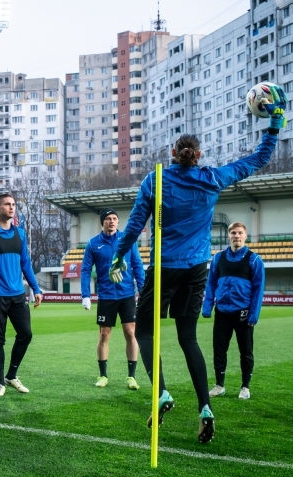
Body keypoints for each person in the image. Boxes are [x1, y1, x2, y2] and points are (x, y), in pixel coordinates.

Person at [111, 85, 286, 444]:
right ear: (199, 154)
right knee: (188, 337)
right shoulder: (212, 179)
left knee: (144, 331)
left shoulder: (155, 179)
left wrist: (118, 256)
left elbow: (134, 226)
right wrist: (276, 123)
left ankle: (161, 392)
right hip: (197, 269)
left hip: (164, 268)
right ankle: (205, 407)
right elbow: (256, 160)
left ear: (172, 153)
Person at [0, 193, 43, 397]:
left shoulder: (20, 234)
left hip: (18, 295)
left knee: (26, 334)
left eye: (13, 204)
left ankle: (11, 376)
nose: (11, 208)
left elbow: (26, 264)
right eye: (7, 204)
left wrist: (36, 289)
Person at [80, 208, 144, 390]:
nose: (112, 221)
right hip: (106, 296)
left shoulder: (128, 240)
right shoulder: (93, 244)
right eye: (108, 219)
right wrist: (85, 295)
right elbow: (85, 270)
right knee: (104, 334)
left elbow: (138, 266)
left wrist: (143, 290)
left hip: (127, 295)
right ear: (103, 222)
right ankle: (103, 375)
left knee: (131, 333)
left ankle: (131, 376)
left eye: (115, 218)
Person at [202, 222, 265, 400]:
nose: (236, 236)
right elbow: (211, 283)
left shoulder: (254, 260)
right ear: (229, 235)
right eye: (233, 233)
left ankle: (245, 387)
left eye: (239, 233)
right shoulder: (218, 258)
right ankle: (219, 385)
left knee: (246, 350)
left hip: (243, 313)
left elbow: (258, 290)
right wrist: (207, 307)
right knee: (219, 349)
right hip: (222, 312)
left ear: (245, 236)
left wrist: (253, 315)